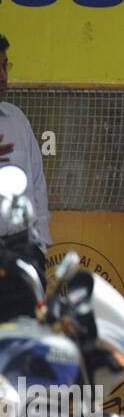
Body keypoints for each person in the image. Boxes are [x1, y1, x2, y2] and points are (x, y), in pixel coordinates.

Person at [0, 32, 51, 320]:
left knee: (21, 355)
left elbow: (37, 187)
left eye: (5, 66)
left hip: (20, 256)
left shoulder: (17, 121)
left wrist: (39, 250)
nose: (3, 77)